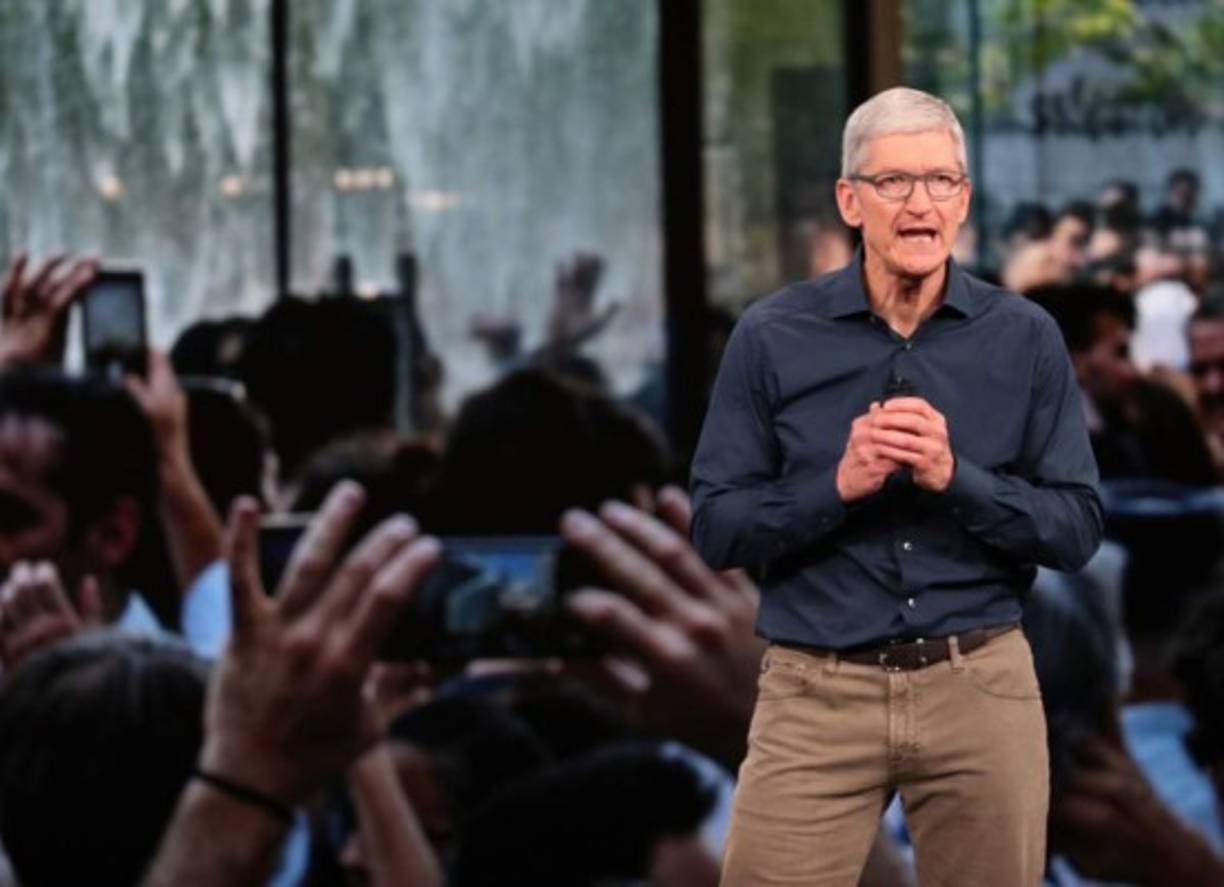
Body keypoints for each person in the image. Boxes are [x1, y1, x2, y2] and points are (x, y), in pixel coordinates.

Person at [690, 86, 1103, 885]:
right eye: (894, 183)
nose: (921, 204)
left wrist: (958, 479)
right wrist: (835, 484)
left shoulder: (1024, 338)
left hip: (978, 679)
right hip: (815, 687)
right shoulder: (772, 336)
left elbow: (1077, 528)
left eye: (941, 181)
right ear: (851, 200)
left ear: (965, 199)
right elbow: (717, 527)